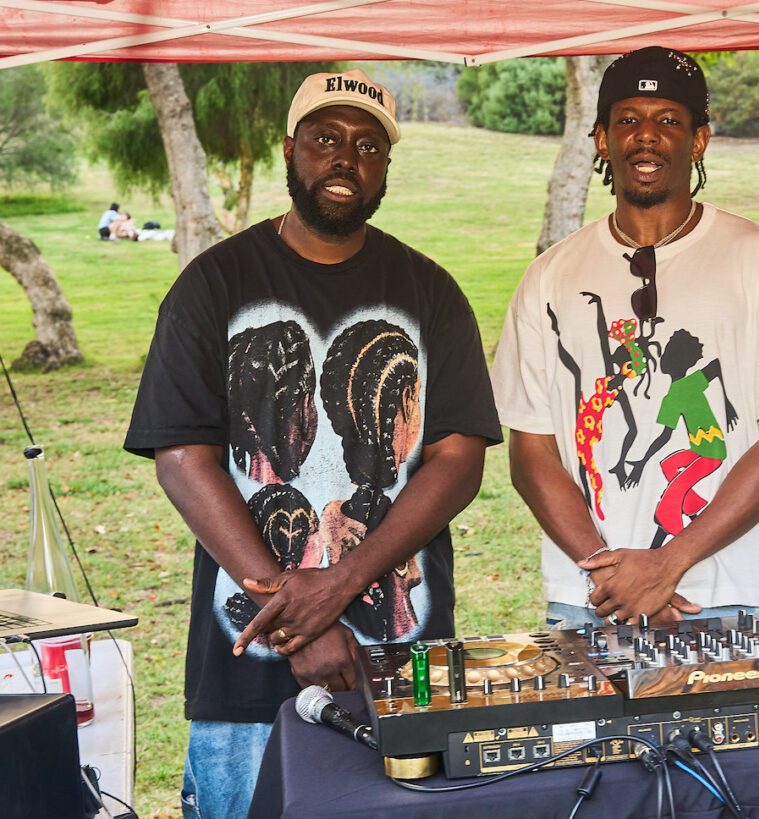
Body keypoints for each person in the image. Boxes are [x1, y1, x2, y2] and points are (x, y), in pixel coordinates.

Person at [124, 69, 501, 819]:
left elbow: (459, 460)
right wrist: (302, 624)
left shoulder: (431, 291)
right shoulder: (213, 283)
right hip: (247, 673)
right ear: (290, 150)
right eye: (326, 138)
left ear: (385, 167)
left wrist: (342, 580)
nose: (346, 158)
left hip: (403, 669)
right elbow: (184, 460)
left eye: (368, 146)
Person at [491, 47, 759, 630]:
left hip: (726, 596)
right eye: (628, 119)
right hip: (589, 599)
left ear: (698, 140)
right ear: (602, 139)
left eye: (669, 120)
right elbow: (531, 453)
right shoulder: (549, 277)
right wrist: (611, 573)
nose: (647, 135)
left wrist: (668, 565)